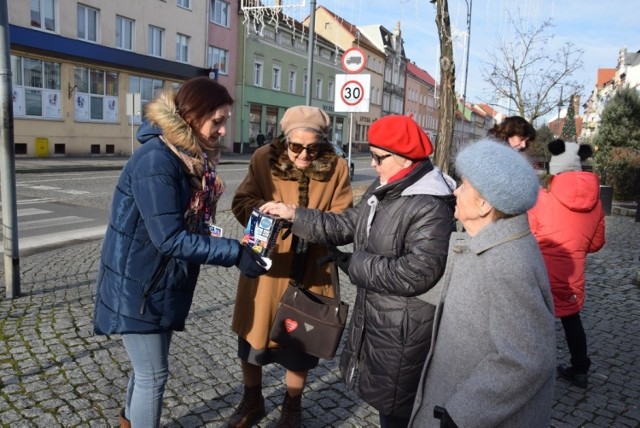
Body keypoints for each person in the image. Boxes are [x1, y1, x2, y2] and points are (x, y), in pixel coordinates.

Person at [93, 77, 268, 428]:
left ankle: (127, 422)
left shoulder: (186, 158)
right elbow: (170, 238)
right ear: (191, 116)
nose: (222, 130)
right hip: (139, 286)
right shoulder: (157, 161)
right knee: (153, 375)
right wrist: (234, 252)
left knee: (146, 370)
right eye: (216, 120)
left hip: (157, 282)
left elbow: (185, 226)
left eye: (225, 121)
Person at [262, 114, 456, 428]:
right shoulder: (386, 188)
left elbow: (417, 272)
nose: (373, 164)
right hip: (384, 322)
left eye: (379, 157)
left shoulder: (428, 205)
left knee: (399, 415)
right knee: (389, 411)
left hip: (404, 332)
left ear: (404, 158)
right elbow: (347, 224)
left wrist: (354, 264)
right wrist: (294, 215)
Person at [409, 139, 556, 427]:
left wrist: (462, 413)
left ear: (485, 204)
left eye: (463, 186)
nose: (456, 191)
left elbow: (525, 359)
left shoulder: (506, 260)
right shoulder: (489, 244)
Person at [228, 105, 353, 427]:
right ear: (285, 141)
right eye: (296, 147)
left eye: (313, 148)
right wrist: (266, 213)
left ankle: (291, 408)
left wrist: (300, 217)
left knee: (301, 345)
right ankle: (252, 400)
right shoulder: (262, 159)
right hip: (268, 269)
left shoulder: (337, 167)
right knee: (253, 340)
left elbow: (345, 223)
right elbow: (241, 201)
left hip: (313, 271)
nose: (303, 156)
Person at [529, 138, 606, 389]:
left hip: (540, 271)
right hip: (573, 274)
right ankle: (580, 369)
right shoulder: (596, 201)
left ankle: (530, 372)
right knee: (572, 321)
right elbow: (596, 243)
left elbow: (528, 233)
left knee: (535, 321)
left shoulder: (543, 197)